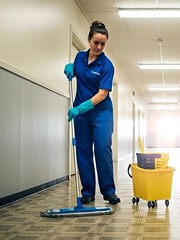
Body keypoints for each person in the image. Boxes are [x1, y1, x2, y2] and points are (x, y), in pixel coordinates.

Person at [63, 21, 120, 205]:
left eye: (103, 44)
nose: (99, 47)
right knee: (83, 150)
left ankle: (108, 191)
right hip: (82, 114)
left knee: (102, 149)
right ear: (89, 40)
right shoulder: (79, 57)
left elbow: (102, 94)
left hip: (101, 113)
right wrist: (70, 67)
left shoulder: (107, 65)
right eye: (96, 42)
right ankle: (87, 191)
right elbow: (76, 69)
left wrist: (80, 108)